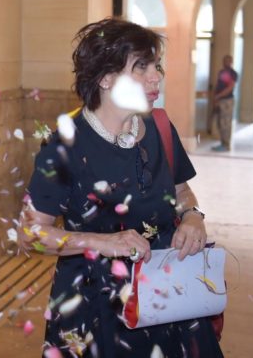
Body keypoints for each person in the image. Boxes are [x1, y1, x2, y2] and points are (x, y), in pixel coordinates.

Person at [20, 18, 223, 357]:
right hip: (96, 306)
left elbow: (181, 191)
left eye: (156, 65)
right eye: (141, 67)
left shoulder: (159, 127)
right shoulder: (64, 146)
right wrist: (102, 242)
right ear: (105, 77)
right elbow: (30, 234)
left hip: (167, 294)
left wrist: (192, 216)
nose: (156, 76)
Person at [211, 54, 238, 152]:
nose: (225, 62)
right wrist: (215, 97)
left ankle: (226, 145)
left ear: (231, 62)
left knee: (226, 123)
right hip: (219, 101)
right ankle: (222, 143)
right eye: (224, 60)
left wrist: (219, 95)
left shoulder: (233, 74)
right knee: (220, 123)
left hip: (227, 101)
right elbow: (218, 85)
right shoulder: (221, 72)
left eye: (228, 60)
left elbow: (230, 87)